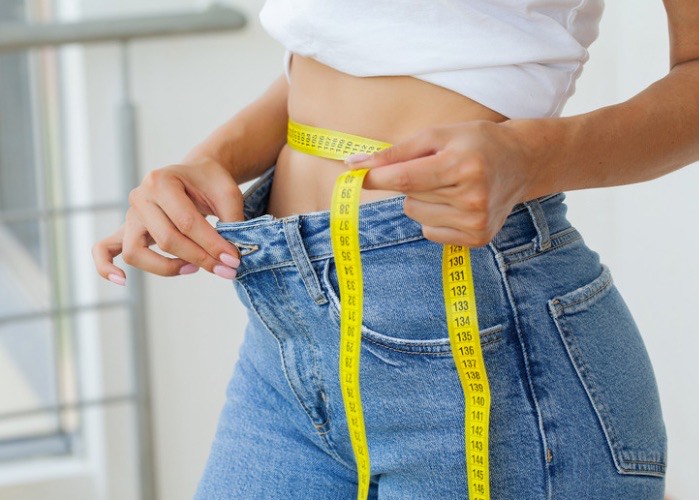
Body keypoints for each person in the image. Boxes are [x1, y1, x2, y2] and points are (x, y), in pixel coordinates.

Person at [92, 1, 698, 498]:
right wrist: (212, 160)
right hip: (285, 336)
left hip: (484, 338)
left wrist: (535, 156)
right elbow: (355, 47)